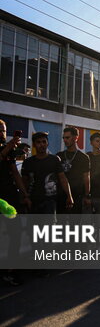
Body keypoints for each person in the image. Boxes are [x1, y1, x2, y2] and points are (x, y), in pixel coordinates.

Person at [0, 120, 28, 286]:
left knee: (15, 233)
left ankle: (11, 271)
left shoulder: (9, 150)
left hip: (9, 198)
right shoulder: (7, 149)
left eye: (4, 130)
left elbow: (15, 174)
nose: (2, 133)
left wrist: (25, 194)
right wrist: (9, 146)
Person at [21, 132, 73, 214]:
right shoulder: (28, 162)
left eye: (44, 142)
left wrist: (69, 196)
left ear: (47, 143)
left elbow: (63, 178)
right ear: (34, 144)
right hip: (33, 201)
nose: (41, 145)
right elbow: (24, 182)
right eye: (38, 142)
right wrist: (25, 197)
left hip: (50, 202)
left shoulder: (54, 160)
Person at [57, 127, 90, 214]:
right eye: (63, 138)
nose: (65, 140)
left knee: (74, 225)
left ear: (76, 138)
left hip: (77, 196)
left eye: (67, 137)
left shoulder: (83, 157)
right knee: (60, 225)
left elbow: (86, 178)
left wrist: (87, 196)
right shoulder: (59, 156)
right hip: (61, 196)